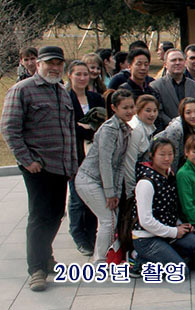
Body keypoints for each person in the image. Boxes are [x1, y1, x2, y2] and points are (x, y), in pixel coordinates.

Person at [132, 138, 195, 279]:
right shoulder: (146, 183)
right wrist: (174, 232)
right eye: (162, 154)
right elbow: (145, 221)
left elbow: (170, 208)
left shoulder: (169, 175)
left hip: (167, 233)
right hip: (148, 238)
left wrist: (180, 225)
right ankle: (139, 261)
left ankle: (166, 257)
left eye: (170, 154)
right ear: (152, 155)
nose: (167, 158)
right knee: (181, 272)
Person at [75, 89, 135, 262]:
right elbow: (105, 162)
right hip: (89, 179)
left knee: (110, 220)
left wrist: (115, 192)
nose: (129, 111)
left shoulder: (125, 129)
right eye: (125, 108)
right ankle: (99, 260)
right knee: (108, 220)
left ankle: (107, 256)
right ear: (114, 108)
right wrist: (110, 193)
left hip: (102, 182)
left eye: (132, 107)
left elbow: (120, 165)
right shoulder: (109, 129)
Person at [65, 60, 103, 256]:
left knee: (93, 195)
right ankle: (79, 235)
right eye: (78, 74)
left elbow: (102, 123)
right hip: (74, 153)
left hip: (94, 153)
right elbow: (66, 126)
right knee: (78, 196)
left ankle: (92, 233)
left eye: (85, 74)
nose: (82, 78)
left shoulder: (95, 98)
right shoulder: (64, 98)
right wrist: (82, 129)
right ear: (69, 75)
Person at [151, 48, 195, 129]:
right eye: (173, 60)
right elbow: (159, 112)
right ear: (165, 64)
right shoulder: (156, 86)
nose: (177, 63)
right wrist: (175, 125)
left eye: (180, 60)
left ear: (185, 63)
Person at [154, 97, 195, 172]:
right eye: (188, 112)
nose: (193, 116)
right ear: (182, 114)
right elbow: (173, 157)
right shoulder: (176, 129)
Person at [124, 95, 159, 198]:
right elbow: (129, 161)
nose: (152, 114)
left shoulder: (148, 127)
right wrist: (131, 190)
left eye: (155, 110)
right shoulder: (136, 130)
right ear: (138, 110)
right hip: (128, 178)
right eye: (148, 110)